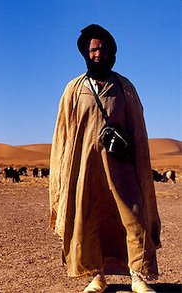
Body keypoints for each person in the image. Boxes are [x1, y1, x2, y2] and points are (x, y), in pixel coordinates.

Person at [49, 24, 161, 293]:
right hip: (85, 170)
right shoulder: (74, 89)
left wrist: (139, 164)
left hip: (121, 167)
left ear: (112, 52)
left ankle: (137, 275)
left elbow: (138, 130)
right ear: (86, 54)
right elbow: (62, 134)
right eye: (93, 49)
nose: (98, 53)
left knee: (133, 216)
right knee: (88, 218)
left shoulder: (124, 87)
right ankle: (96, 275)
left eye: (103, 48)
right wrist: (64, 173)